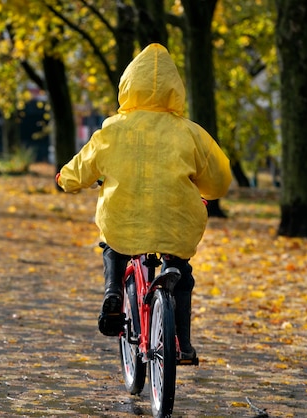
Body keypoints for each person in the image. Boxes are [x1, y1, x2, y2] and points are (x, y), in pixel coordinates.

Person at [55, 43, 232, 360]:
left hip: (124, 217)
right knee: (180, 272)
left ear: (127, 86)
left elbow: (81, 168)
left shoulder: (112, 130)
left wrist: (64, 179)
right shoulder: (191, 133)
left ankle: (113, 292)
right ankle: (182, 343)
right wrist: (204, 189)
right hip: (175, 221)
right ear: (173, 89)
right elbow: (218, 181)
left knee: (114, 244)